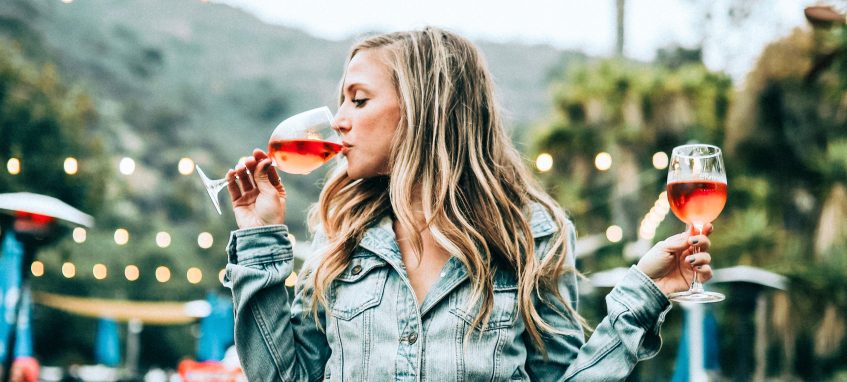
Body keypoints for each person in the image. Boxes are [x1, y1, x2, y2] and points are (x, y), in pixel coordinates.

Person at [222, 27, 714, 381]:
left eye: (359, 99)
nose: (339, 121)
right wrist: (259, 237)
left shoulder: (531, 233)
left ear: (422, 109)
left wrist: (642, 294)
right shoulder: (341, 238)